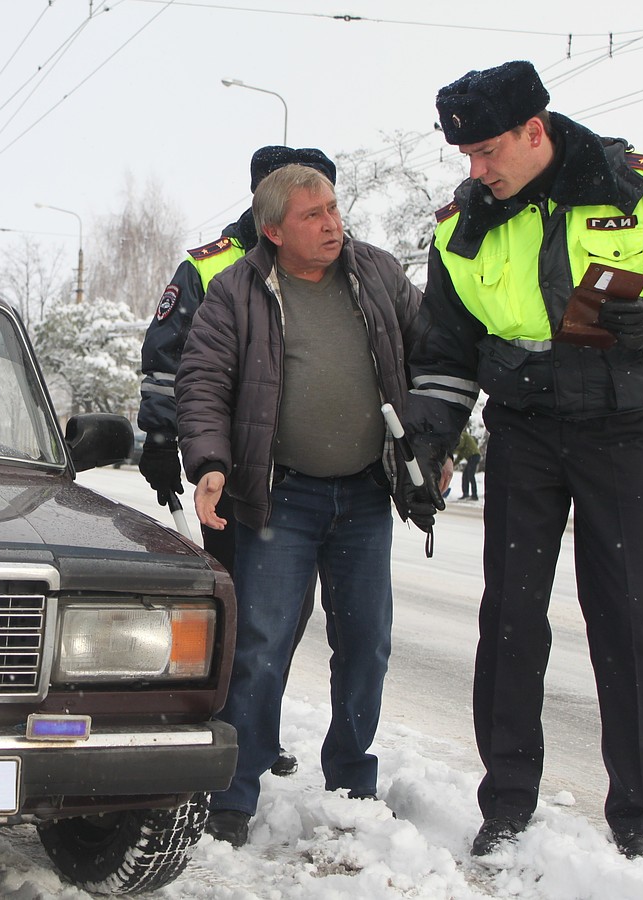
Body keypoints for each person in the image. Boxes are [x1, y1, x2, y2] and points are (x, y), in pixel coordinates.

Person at [407, 59, 643, 861]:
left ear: (534, 132)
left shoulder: (640, 188)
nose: (476, 171)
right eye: (466, 157)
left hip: (617, 427)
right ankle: (506, 802)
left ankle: (638, 823)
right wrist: (431, 440)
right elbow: (444, 350)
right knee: (509, 619)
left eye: (487, 152)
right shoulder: (460, 228)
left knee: (627, 618)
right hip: (525, 430)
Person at [175, 163, 433, 847]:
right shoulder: (236, 290)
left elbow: (431, 348)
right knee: (258, 645)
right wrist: (208, 463)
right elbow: (202, 381)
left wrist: (426, 447)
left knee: (366, 644)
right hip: (280, 496)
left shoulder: (376, 274)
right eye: (313, 215)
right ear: (274, 230)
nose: (331, 224)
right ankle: (234, 790)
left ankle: (352, 777)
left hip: (366, 493)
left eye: (333, 209)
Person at [138, 145, 338, 778]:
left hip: (306, 476)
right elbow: (167, 357)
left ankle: (252, 729)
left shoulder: (332, 267)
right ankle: (217, 728)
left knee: (285, 614)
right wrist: (161, 439)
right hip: (227, 471)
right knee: (236, 609)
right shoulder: (212, 268)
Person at [454, 429, 481, 500]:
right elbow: (460, 457)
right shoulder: (462, 447)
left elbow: (460, 445)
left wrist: (451, 449)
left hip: (474, 456)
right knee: (465, 475)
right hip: (471, 457)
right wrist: (453, 464)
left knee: (470, 475)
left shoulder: (462, 436)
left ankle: (474, 495)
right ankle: (465, 494)